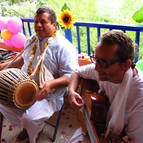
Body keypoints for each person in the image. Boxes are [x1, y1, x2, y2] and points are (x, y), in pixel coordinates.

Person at [0, 7, 78, 143]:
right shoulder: (32, 40)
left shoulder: (65, 47)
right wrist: (5, 68)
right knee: (2, 102)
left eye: (43, 22)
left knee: (29, 118)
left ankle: (33, 134)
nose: (38, 25)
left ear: (54, 25)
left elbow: (71, 75)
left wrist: (51, 84)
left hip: (48, 96)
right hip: (23, 87)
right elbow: (23, 58)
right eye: (36, 22)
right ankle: (29, 127)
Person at [68, 30, 143, 143]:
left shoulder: (139, 99)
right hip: (95, 127)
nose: (96, 68)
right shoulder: (102, 70)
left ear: (125, 64)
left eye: (103, 62)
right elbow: (77, 72)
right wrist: (71, 91)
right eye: (96, 59)